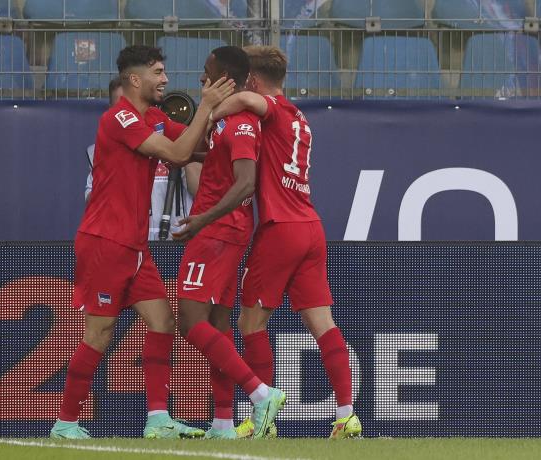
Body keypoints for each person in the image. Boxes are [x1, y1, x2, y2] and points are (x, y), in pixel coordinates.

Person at [51, 45, 234, 440]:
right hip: (106, 242)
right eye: (158, 72)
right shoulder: (118, 118)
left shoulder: (153, 117)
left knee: (163, 322)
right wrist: (205, 106)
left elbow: (197, 147)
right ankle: (65, 423)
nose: (165, 80)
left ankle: (158, 420)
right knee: (99, 333)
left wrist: (232, 135)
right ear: (135, 79)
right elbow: (178, 154)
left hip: (133, 246)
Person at [210, 45, 361, 439]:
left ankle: (263, 419)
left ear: (253, 80)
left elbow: (245, 101)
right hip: (310, 226)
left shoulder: (270, 108)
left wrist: (209, 113)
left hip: (280, 228)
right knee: (323, 323)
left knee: (250, 323)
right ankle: (347, 414)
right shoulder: (300, 118)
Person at [172, 46, 286, 440]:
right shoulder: (225, 121)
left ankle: (261, 393)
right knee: (219, 327)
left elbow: (245, 183)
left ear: (225, 78)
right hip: (224, 231)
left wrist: (201, 219)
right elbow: (218, 161)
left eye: (207, 72)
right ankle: (222, 423)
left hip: (217, 232)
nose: (201, 79)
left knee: (190, 321)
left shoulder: (240, 123)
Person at [85, 77, 202, 240]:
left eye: (134, 104)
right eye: (122, 106)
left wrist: (184, 147)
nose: (129, 112)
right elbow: (92, 200)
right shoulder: (100, 150)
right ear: (110, 109)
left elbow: (198, 189)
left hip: (175, 237)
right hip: (127, 238)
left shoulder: (170, 138)